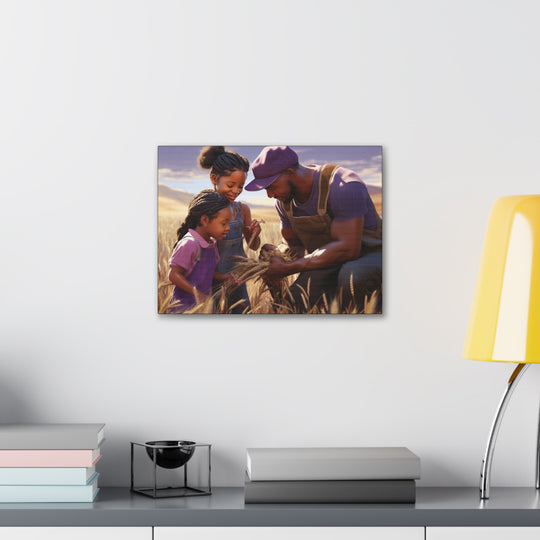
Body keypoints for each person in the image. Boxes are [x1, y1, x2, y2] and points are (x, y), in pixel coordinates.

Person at [245, 146, 382, 312]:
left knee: (352, 276)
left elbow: (348, 250)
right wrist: (276, 256)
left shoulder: (344, 186)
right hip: (327, 261)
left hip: (371, 254)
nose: (269, 195)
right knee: (291, 305)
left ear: (290, 172)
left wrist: (288, 268)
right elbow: (294, 246)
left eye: (271, 186)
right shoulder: (284, 201)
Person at [198, 146, 262, 313]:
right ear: (214, 178)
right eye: (231, 185)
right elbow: (195, 252)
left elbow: (253, 245)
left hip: (237, 280)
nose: (236, 191)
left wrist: (252, 234)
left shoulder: (242, 210)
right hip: (210, 280)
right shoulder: (203, 210)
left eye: (240, 186)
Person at [168, 190, 233, 313]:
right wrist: (199, 295)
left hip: (201, 309)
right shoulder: (190, 243)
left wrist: (225, 277)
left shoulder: (211, 244)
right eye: (224, 223)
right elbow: (173, 275)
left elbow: (206, 272)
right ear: (205, 220)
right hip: (183, 309)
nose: (228, 228)